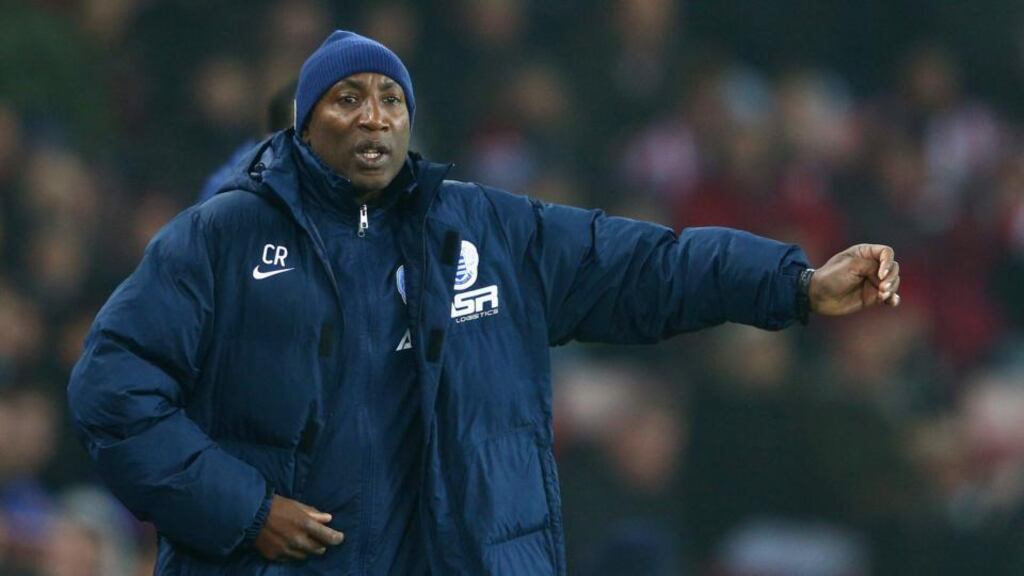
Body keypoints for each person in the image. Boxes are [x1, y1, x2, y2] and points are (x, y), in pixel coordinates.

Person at [67, 30, 902, 575]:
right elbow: (113, 388)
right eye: (347, 98)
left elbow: (652, 265)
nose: (375, 116)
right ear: (302, 125)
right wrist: (245, 512)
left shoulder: (485, 230)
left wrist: (794, 284)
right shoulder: (224, 235)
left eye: (391, 99)